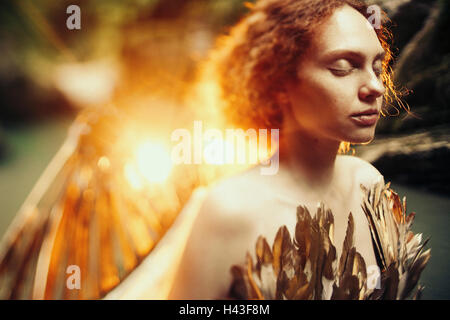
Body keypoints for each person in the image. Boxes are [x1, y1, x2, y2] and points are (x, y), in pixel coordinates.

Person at [168, 0, 401, 299]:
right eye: (343, 67)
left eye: (377, 67)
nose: (375, 86)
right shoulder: (231, 210)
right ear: (278, 81)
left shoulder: (368, 185)